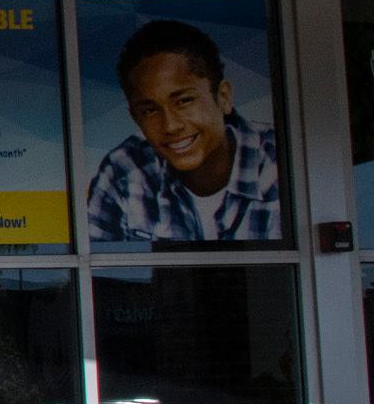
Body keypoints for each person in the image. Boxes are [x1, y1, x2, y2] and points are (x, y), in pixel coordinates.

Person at [84, 19, 282, 244]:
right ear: (135, 117)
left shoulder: (282, 167)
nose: (170, 125)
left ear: (223, 97)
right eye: (150, 111)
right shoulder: (123, 172)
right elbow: (102, 272)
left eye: (184, 101)